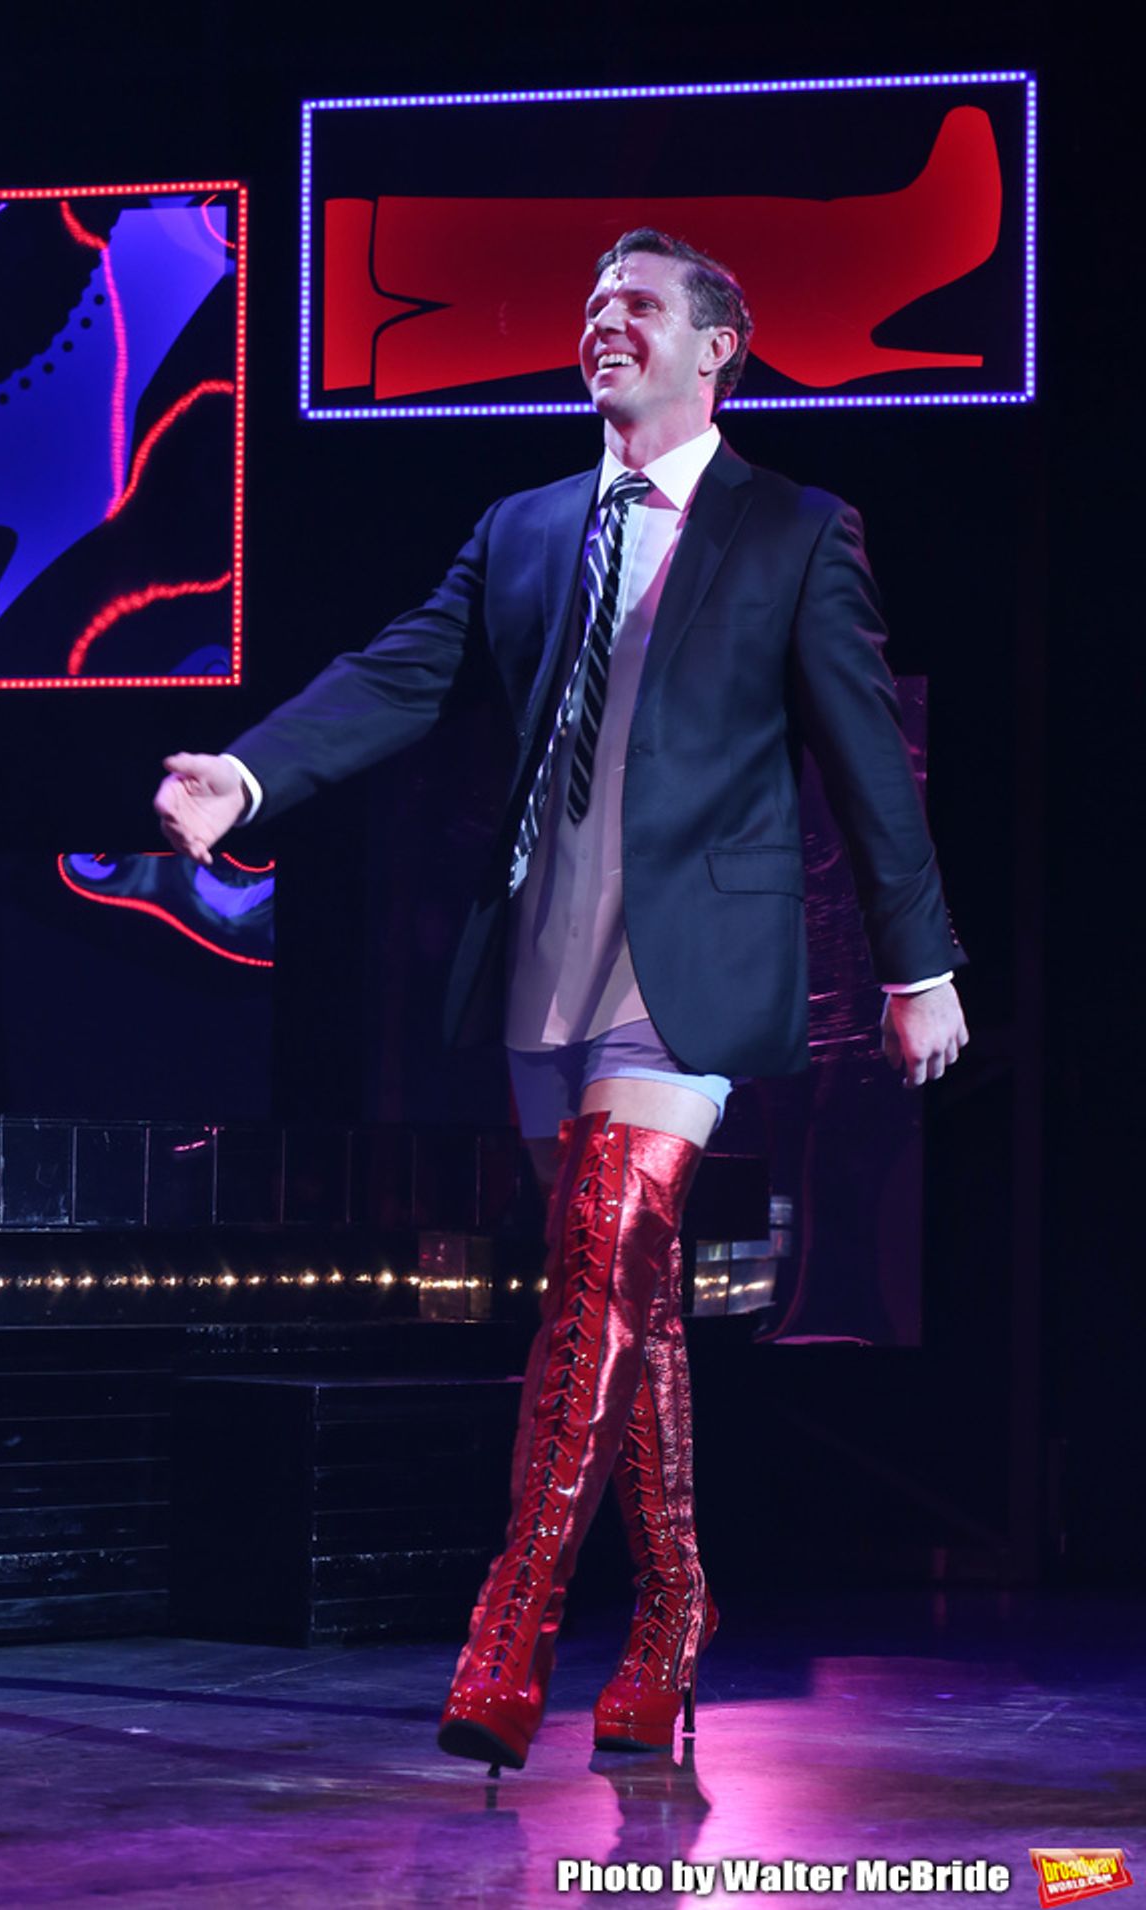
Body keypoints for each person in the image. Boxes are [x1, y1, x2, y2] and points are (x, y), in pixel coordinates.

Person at [155, 229, 968, 1773]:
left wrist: (920, 964)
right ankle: (672, 1619)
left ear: (717, 345)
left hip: (687, 972)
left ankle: (511, 1626)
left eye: (640, 308)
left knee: (593, 1266)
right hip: (547, 959)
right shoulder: (526, 526)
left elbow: (865, 756)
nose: (606, 326)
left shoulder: (795, 530)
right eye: (594, 308)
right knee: (629, 1303)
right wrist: (251, 771)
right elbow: (403, 671)